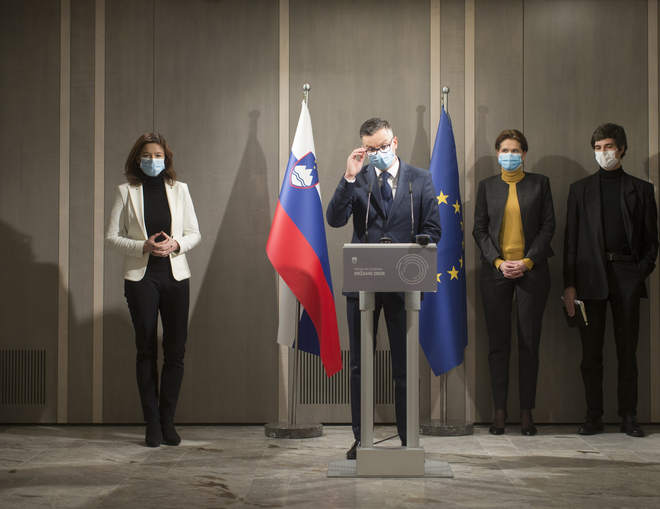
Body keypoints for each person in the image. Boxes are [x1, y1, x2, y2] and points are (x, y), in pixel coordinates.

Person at [326, 118, 441, 459]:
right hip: (363, 284)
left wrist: (423, 240)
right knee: (361, 365)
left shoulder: (419, 179)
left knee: (404, 365)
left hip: (404, 283)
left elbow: (434, 227)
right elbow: (334, 218)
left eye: (382, 146)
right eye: (370, 148)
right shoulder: (359, 179)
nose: (376, 153)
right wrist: (348, 176)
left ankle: (408, 439)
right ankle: (361, 438)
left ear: (395, 142)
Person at [105, 133, 201, 447]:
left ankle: (168, 421)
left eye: (158, 154)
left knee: (175, 351)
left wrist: (177, 244)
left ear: (166, 158)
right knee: (146, 350)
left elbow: (194, 233)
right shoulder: (126, 192)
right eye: (147, 155)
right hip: (141, 279)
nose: (152, 160)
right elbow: (111, 237)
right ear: (137, 159)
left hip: (176, 277)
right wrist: (141, 246)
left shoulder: (180, 189)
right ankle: (152, 424)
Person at [564, 123, 658, 438]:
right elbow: (571, 242)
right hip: (589, 279)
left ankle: (629, 416)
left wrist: (640, 271)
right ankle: (594, 416)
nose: (603, 153)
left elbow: (651, 241)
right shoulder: (579, 190)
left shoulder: (642, 190)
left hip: (627, 278)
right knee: (590, 354)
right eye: (598, 147)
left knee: (627, 352)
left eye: (609, 146)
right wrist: (569, 284)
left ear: (621, 148)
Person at [472, 129, 555, 436]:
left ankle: (526, 412)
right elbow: (479, 231)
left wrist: (527, 261)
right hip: (495, 273)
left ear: (524, 154)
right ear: (497, 154)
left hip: (532, 273)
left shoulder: (540, 183)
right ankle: (499, 412)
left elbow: (548, 228)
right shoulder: (486, 186)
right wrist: (498, 262)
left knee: (529, 344)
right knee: (498, 345)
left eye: (516, 150)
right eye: (505, 150)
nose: (510, 155)